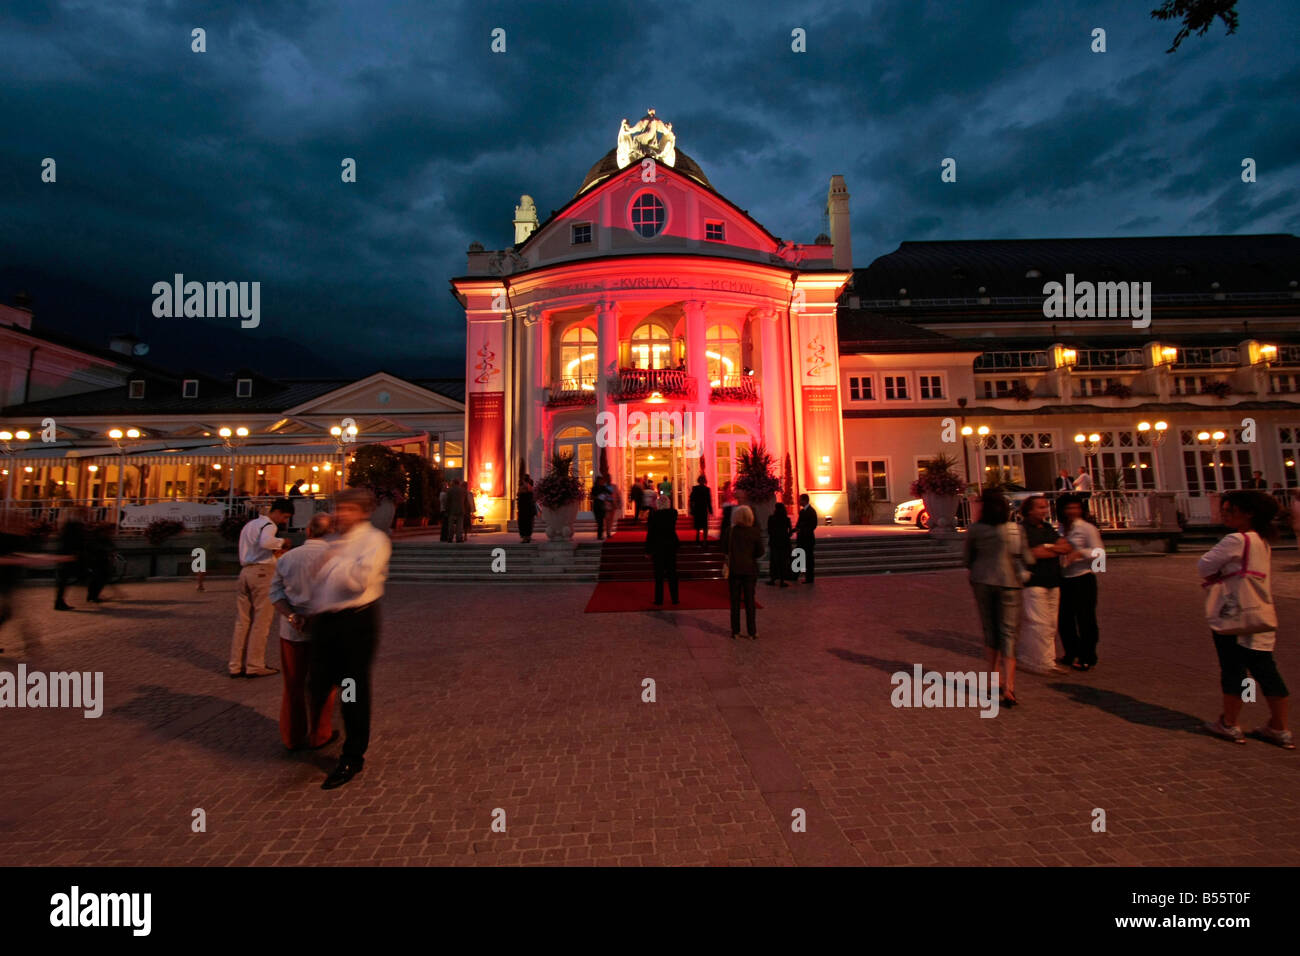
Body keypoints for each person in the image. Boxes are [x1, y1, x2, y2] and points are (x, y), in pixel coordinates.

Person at [309, 488, 393, 789]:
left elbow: (359, 582)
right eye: (338, 508)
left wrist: (334, 560)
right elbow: (318, 583)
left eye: (347, 509)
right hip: (326, 621)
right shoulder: (333, 541)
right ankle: (323, 730)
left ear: (363, 512)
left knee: (352, 688)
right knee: (316, 681)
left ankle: (352, 754)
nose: (340, 514)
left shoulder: (375, 541)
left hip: (356, 621)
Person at [1200, 491, 1292, 748]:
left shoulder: (1236, 540)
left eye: (1230, 510)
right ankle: (1280, 727)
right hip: (1260, 614)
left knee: (1233, 668)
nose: (1225, 515)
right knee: (1266, 669)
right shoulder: (1262, 541)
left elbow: (1204, 565)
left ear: (1248, 513)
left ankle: (1230, 723)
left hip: (1236, 615)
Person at [270, 512, 338, 751]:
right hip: (325, 631)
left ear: (308, 531)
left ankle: (292, 735)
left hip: (292, 630)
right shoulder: (335, 558)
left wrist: (292, 615)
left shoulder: (287, 558)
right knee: (325, 685)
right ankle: (319, 733)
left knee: (293, 684)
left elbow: (275, 594)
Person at [964, 488, 1036, 707]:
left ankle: (994, 679)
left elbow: (967, 558)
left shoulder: (975, 529)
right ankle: (1010, 687)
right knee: (1009, 632)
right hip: (1010, 583)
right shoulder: (1015, 530)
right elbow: (1028, 558)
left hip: (983, 581)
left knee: (990, 630)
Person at [228, 498, 293, 678]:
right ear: (278, 512)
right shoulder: (269, 525)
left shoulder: (250, 525)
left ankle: (235, 665)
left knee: (242, 621)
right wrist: (283, 543)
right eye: (285, 517)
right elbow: (266, 542)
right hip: (262, 573)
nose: (284, 521)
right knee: (261, 621)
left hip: (245, 572)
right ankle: (254, 664)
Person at [1017, 495, 1072, 675]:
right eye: (1040, 507)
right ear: (1029, 510)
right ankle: (1035, 660)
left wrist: (1049, 548)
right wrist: (1051, 549)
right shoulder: (1023, 530)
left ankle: (1046, 659)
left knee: (1050, 623)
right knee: (1038, 622)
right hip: (1034, 581)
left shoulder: (1048, 528)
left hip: (1053, 580)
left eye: (1045, 507)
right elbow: (1034, 553)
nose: (1044, 511)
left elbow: (1065, 547)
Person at [1056, 493, 1104, 671]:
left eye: (1075, 508)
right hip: (1064, 577)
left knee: (1085, 619)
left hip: (1083, 577)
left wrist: (1080, 554)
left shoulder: (1087, 528)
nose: (1072, 512)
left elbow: (1100, 553)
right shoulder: (1061, 528)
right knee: (1064, 619)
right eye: (1068, 508)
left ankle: (1087, 655)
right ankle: (1071, 652)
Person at [727, 505, 764, 640]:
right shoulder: (754, 532)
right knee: (749, 601)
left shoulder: (730, 532)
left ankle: (735, 631)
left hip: (735, 570)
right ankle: (752, 631)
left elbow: (724, 548)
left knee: (735, 602)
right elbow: (760, 552)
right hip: (749, 570)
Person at [645, 493, 680, 605]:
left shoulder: (654, 515)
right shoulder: (673, 513)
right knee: (672, 574)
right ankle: (675, 599)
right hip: (670, 545)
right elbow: (673, 511)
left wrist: (648, 550)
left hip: (658, 546)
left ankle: (659, 599)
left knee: (659, 575)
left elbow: (650, 534)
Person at [53, 509, 88, 611]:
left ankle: (60, 601)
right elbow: (75, 542)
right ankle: (59, 602)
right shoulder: (74, 526)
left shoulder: (70, 525)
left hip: (67, 556)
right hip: (68, 556)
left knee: (63, 580)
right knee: (63, 580)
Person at [766, 503, 793, 587]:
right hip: (784, 543)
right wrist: (786, 536)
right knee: (783, 561)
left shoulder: (771, 518)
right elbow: (790, 532)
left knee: (774, 561)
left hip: (774, 542)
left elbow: (769, 531)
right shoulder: (786, 519)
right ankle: (782, 580)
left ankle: (773, 579)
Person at [794, 493, 818, 584]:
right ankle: (795, 575)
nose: (799, 501)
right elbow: (799, 523)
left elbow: (813, 525)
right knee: (799, 557)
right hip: (802, 539)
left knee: (808, 559)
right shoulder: (802, 511)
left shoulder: (811, 511)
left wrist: (802, 529)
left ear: (805, 500)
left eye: (800, 500)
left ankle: (809, 578)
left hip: (807, 539)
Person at [688, 474, 713, 545]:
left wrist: (692, 509)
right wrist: (710, 510)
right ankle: (704, 540)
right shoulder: (707, 489)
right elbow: (709, 500)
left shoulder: (695, 488)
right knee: (705, 525)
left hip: (697, 508)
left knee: (698, 524)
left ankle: (698, 536)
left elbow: (691, 499)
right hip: (703, 508)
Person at [517, 475, 536, 543]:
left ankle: (526, 537)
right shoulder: (528, 487)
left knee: (525, 523)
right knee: (527, 523)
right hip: (525, 508)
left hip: (526, 508)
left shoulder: (526, 487)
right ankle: (527, 537)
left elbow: (520, 495)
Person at [590, 475, 607, 541]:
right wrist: (597, 497)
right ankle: (600, 535)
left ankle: (600, 535)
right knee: (599, 521)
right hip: (597, 505)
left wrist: (605, 497)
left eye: (602, 480)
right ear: (598, 481)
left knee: (601, 521)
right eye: (600, 480)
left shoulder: (604, 487)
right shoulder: (594, 488)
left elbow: (609, 493)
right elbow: (591, 496)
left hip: (602, 505)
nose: (602, 481)